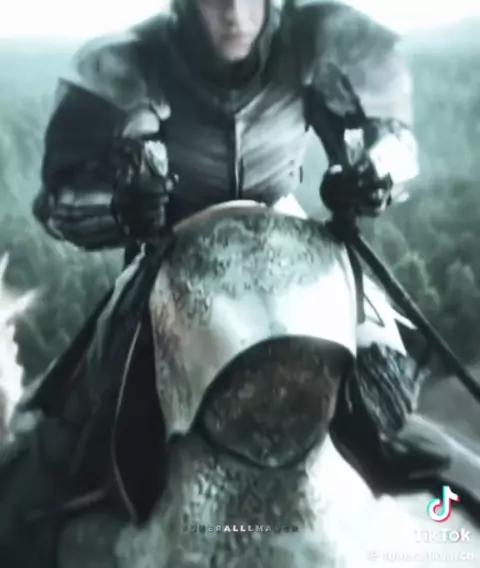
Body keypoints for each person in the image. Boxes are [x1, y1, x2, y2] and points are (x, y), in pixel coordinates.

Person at [32, 0, 419, 263]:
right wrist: (118, 207)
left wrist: (372, 174)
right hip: (166, 255)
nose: (234, 12)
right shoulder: (129, 61)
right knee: (114, 356)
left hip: (289, 239)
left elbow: (396, 143)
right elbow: (58, 204)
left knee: (379, 350)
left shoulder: (316, 41)